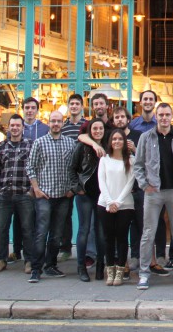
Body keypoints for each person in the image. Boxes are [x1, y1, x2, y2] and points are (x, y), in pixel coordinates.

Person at [133, 103, 173, 289]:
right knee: (148, 233)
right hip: (154, 192)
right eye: (161, 114)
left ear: (172, 116)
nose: (164, 118)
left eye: (167, 114)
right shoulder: (146, 137)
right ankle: (144, 273)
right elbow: (138, 165)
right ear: (156, 116)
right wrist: (144, 184)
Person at [25, 111, 76, 283]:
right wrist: (36, 189)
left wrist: (72, 190)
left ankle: (50, 265)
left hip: (63, 196)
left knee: (57, 234)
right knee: (41, 232)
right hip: (44, 196)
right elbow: (30, 167)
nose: (56, 124)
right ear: (48, 123)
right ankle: (36, 268)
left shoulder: (70, 143)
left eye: (59, 121)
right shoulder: (39, 143)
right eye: (53, 121)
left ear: (63, 123)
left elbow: (74, 169)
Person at [0, 114, 35, 275]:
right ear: (8, 128)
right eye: (12, 125)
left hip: (24, 194)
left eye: (18, 125)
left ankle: (29, 260)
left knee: (27, 229)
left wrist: (31, 190)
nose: (15, 128)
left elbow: (35, 168)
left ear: (23, 128)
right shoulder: (1, 146)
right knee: (1, 229)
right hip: (4, 195)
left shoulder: (30, 145)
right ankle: (0, 260)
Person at [69, 118, 108, 282]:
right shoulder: (82, 147)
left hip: (102, 195)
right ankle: (81, 267)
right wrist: (77, 188)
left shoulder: (108, 146)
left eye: (100, 128)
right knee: (84, 230)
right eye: (95, 128)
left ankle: (100, 267)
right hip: (85, 194)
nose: (98, 131)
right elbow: (72, 168)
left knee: (100, 232)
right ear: (90, 131)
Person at [98, 129, 136, 286]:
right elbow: (102, 181)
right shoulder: (104, 160)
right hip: (105, 204)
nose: (117, 142)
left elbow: (130, 183)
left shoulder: (131, 160)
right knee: (108, 238)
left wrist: (118, 202)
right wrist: (109, 201)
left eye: (120, 139)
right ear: (110, 141)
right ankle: (110, 270)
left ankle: (120, 270)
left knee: (121, 238)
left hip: (125, 205)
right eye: (114, 139)